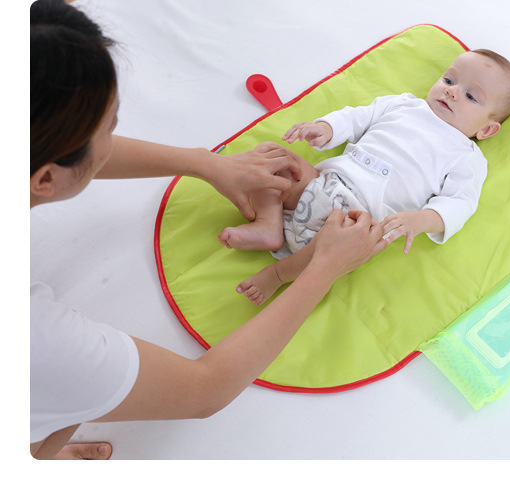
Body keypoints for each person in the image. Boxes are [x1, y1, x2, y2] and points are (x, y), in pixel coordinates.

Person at [30, 0, 386, 460]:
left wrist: (204, 163)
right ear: (45, 178)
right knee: (68, 402)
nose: (114, 135)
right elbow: (204, 390)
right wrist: (324, 266)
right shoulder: (40, 343)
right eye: (110, 126)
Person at [218, 49, 510, 305]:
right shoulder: (403, 104)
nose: (451, 91)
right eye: (449, 79)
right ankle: (269, 225)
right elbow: (357, 117)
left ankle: (278, 274)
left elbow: (460, 203)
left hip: (359, 218)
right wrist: (326, 128)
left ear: (487, 129)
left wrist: (420, 220)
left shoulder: (466, 155)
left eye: (470, 96)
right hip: (323, 183)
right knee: (271, 154)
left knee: (335, 249)